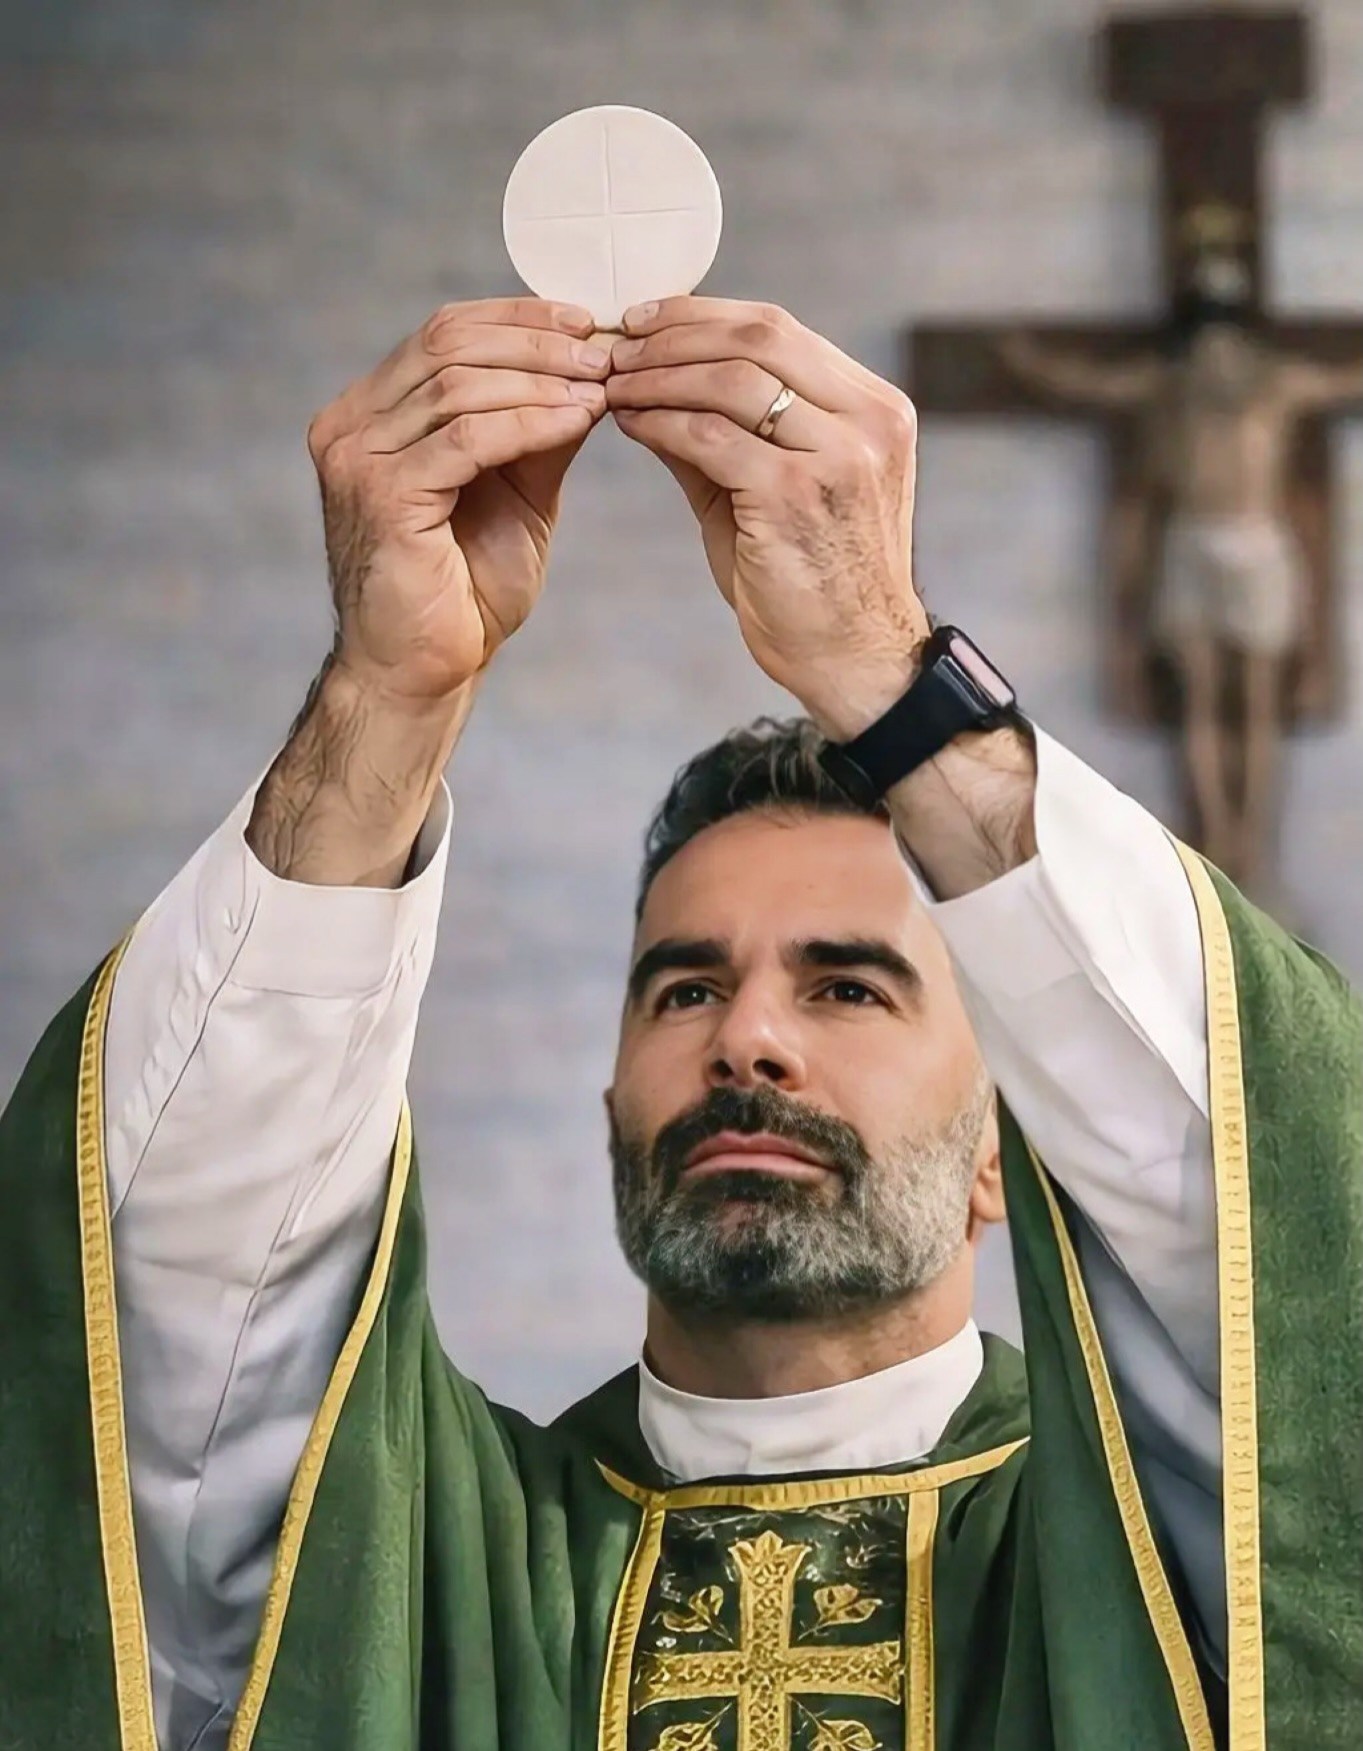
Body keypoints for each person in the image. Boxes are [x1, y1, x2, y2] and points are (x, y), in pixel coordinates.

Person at [0, 295, 1358, 1751]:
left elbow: (1288, 1248)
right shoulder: (425, 1563)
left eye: (844, 982)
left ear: (1001, 1148)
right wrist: (382, 702)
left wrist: (888, 679)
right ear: (608, 1111)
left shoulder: (1143, 1538)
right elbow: (156, 1312)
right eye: (685, 987)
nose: (746, 1040)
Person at [1000, 307, 1363, 896]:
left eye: (1229, 345)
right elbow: (1091, 385)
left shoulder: (1279, 386)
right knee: (1199, 700)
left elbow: (1346, 380)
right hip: (1191, 543)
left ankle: (1251, 841)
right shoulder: (1167, 388)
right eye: (1206, 344)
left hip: (1259, 542)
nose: (1217, 357)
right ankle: (1216, 834)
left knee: (1258, 704)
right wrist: (1029, 362)